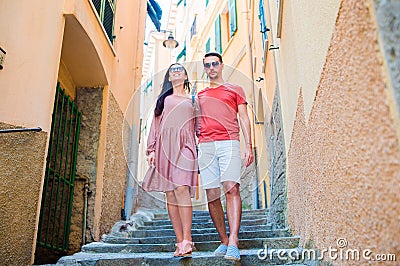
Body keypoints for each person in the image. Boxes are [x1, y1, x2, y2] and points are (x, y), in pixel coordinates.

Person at [197, 52, 254, 261]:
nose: (211, 68)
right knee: (211, 195)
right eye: (207, 65)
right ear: (205, 69)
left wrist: (249, 145)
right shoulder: (200, 95)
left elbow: (244, 118)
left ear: (221, 66)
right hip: (205, 145)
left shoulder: (235, 89)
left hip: (229, 142)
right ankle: (223, 240)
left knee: (232, 188)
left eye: (215, 64)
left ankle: (234, 240)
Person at [142, 63, 201, 257]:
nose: (175, 71)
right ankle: (179, 241)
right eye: (172, 70)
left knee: (181, 188)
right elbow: (155, 124)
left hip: (186, 145)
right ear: (169, 77)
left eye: (179, 69)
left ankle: (187, 238)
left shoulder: (194, 99)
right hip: (164, 147)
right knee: (170, 193)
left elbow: (200, 126)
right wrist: (151, 150)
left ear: (185, 76)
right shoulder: (164, 99)